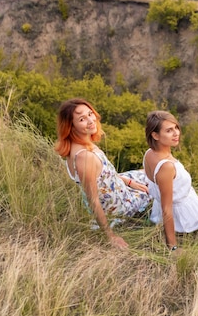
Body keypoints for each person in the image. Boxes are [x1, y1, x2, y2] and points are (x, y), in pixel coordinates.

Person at [55, 98, 151, 249]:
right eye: (81, 119)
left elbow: (105, 177)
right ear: (71, 126)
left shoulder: (81, 144)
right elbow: (93, 200)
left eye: (90, 114)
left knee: (148, 171)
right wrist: (110, 236)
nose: (90, 120)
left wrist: (129, 182)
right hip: (120, 206)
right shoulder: (83, 157)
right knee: (159, 181)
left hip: (118, 187)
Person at [143, 111, 198, 251]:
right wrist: (173, 247)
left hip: (181, 202)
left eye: (176, 128)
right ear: (155, 135)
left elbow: (174, 190)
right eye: (169, 130)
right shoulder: (166, 166)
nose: (176, 133)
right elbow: (167, 209)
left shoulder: (150, 153)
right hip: (182, 215)